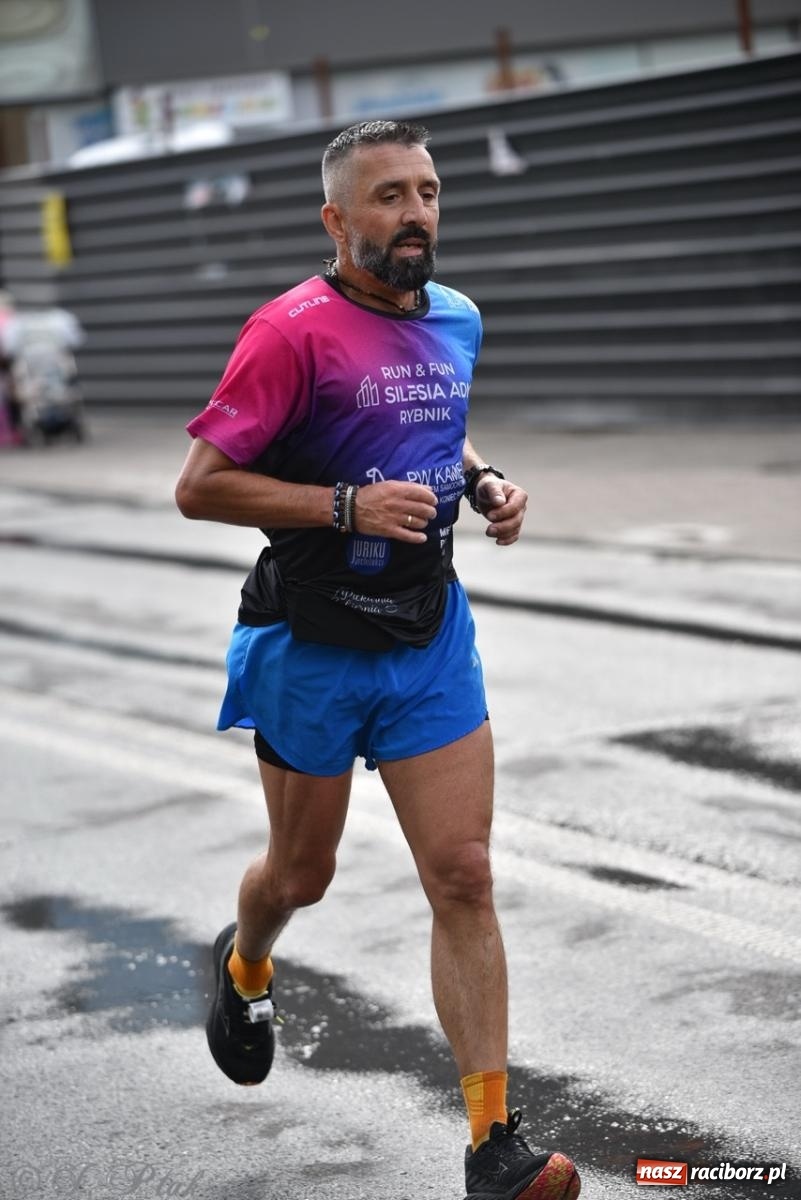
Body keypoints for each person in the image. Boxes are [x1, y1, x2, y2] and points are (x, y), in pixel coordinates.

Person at [176, 119, 581, 1200]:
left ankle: (493, 1146)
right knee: (300, 875)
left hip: (427, 636)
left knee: (464, 873)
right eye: (391, 195)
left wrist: (487, 478)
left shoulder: (456, 318)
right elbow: (201, 485)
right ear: (337, 219)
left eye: (430, 192)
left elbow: (433, 418)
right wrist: (341, 503)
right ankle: (246, 961)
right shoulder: (288, 331)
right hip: (310, 639)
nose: (417, 213)